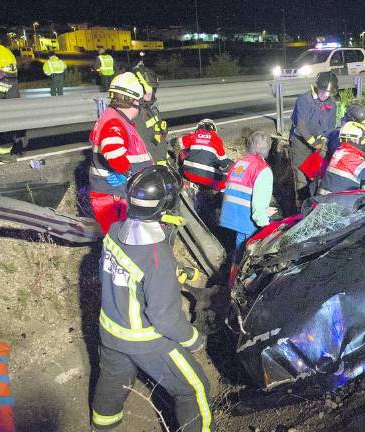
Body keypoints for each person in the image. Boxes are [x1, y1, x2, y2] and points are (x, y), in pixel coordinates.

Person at [91, 165, 215, 432]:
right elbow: (164, 318)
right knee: (194, 389)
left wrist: (173, 271)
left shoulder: (113, 231)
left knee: (112, 383)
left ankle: (102, 427)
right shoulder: (158, 256)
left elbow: (125, 272)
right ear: (165, 206)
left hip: (111, 332)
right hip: (145, 341)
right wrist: (194, 339)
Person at [88, 72, 152, 234]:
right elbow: (114, 154)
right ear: (134, 100)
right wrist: (128, 174)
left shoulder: (114, 117)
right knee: (119, 241)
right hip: (113, 196)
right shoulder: (114, 122)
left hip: (116, 193)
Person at [219, 131, 276, 249]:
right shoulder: (263, 170)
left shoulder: (240, 163)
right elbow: (258, 204)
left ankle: (233, 263)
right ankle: (236, 265)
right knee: (245, 252)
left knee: (238, 246)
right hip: (245, 219)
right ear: (267, 149)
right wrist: (266, 224)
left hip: (229, 214)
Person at [289, 72, 338, 204]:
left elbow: (330, 127)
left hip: (318, 146)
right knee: (301, 179)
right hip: (300, 144)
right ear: (317, 87)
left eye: (329, 92)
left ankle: (313, 205)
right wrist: (314, 143)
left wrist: (323, 141)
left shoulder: (332, 104)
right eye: (323, 91)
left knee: (316, 177)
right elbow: (301, 126)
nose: (326, 95)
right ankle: (300, 207)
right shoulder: (304, 100)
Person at [179, 119, 231, 190]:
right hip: (207, 178)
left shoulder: (192, 136)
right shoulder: (216, 140)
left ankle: (192, 184)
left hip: (187, 173)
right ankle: (217, 196)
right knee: (226, 181)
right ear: (213, 129)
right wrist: (225, 170)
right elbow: (223, 162)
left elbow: (181, 141)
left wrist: (188, 152)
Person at [132, 65, 168, 163]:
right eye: (149, 88)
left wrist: (162, 131)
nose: (151, 92)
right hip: (152, 163)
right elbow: (143, 147)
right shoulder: (136, 113)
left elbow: (158, 135)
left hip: (161, 157)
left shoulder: (151, 107)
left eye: (153, 89)